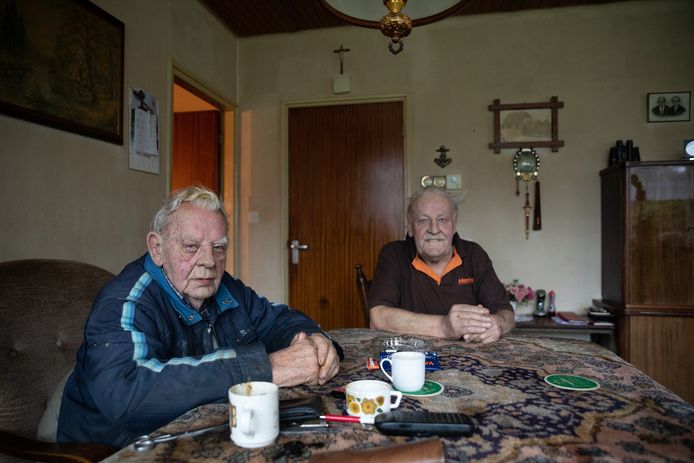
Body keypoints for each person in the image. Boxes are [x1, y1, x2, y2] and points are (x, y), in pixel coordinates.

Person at [57, 185, 341, 448]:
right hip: (117, 449)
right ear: (157, 249)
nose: (208, 261)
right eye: (191, 246)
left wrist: (312, 341)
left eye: (219, 248)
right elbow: (127, 392)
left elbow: (279, 319)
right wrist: (265, 368)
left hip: (197, 434)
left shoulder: (226, 288)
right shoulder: (123, 302)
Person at [368, 186, 515, 343]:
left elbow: (507, 314)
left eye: (442, 220)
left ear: (454, 223)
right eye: (423, 220)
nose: (434, 229)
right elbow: (378, 318)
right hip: (412, 357)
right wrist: (444, 326)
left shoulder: (474, 254)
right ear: (410, 226)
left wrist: (496, 323)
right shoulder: (393, 254)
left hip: (469, 358)